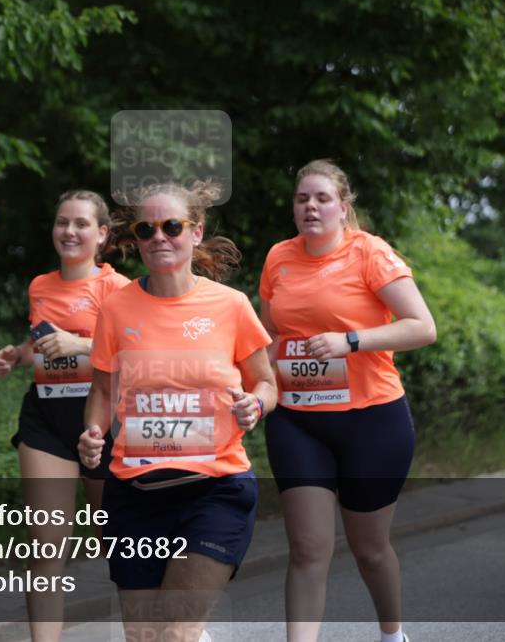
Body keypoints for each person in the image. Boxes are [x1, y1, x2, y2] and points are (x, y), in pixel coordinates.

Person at [77, 181, 277, 642]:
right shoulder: (116, 307)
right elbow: (103, 391)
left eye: (171, 226)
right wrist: (92, 431)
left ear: (196, 232)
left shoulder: (229, 306)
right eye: (147, 229)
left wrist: (256, 404)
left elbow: (267, 382)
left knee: (176, 634)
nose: (159, 238)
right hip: (134, 494)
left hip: (215, 489)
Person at [259, 160, 436, 642]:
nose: (310, 207)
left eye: (321, 198)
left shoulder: (370, 254)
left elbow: (422, 327)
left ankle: (391, 634)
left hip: (372, 420)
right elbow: (268, 335)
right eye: (302, 199)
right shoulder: (279, 258)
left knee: (370, 548)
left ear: (343, 206)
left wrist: (350, 341)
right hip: (298, 420)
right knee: (307, 548)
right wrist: (246, 380)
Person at [0, 189, 129, 642]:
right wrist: (17, 354)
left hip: (102, 419)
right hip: (46, 418)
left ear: (102, 234)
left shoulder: (118, 288)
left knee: (122, 546)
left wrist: (83, 345)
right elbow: (42, 339)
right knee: (45, 548)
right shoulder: (40, 285)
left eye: (81, 224)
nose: (69, 231)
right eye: (61, 222)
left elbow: (139, 349)